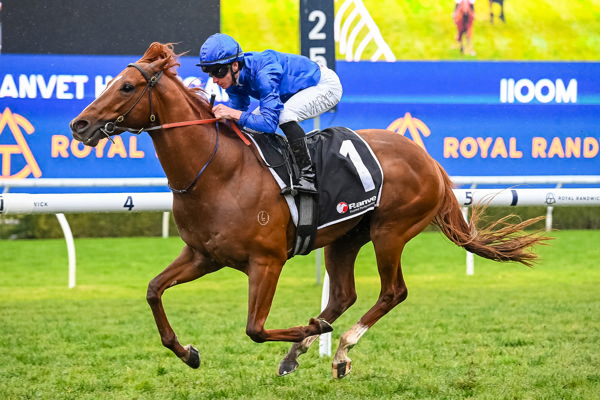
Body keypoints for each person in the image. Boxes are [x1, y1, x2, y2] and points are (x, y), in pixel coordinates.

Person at [197, 33, 343, 195]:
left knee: (284, 117)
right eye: (210, 74)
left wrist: (232, 113)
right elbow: (238, 117)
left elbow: (269, 124)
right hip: (291, 92)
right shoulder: (231, 79)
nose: (215, 80)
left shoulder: (265, 73)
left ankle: (309, 177)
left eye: (218, 72)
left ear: (235, 65)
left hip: (324, 85)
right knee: (250, 129)